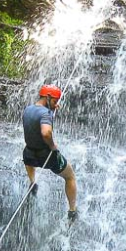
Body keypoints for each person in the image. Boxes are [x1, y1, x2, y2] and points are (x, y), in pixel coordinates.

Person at [23, 84, 78, 220]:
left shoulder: (28, 109)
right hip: (46, 156)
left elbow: (34, 124)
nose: (56, 105)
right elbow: (46, 133)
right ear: (47, 97)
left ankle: (32, 182)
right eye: (54, 101)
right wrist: (53, 146)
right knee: (70, 176)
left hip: (29, 155)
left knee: (27, 151)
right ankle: (72, 210)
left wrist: (51, 107)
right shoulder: (45, 114)